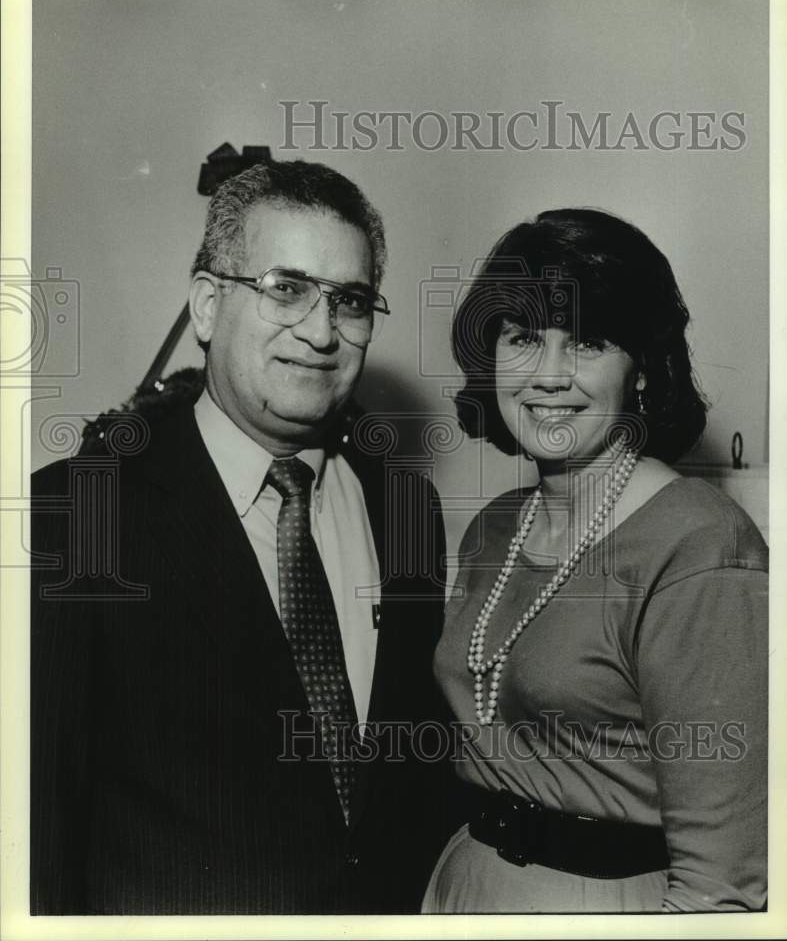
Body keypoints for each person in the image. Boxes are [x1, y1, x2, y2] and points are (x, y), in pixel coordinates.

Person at [31, 160, 456, 914]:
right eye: (285, 288)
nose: (321, 331)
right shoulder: (78, 513)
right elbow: (41, 824)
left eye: (349, 300)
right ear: (205, 304)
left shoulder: (406, 513)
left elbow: (412, 785)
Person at [422, 207, 767, 913]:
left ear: (639, 368)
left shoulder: (701, 547)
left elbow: (721, 882)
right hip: (465, 888)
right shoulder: (491, 531)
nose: (547, 376)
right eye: (522, 338)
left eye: (585, 342)